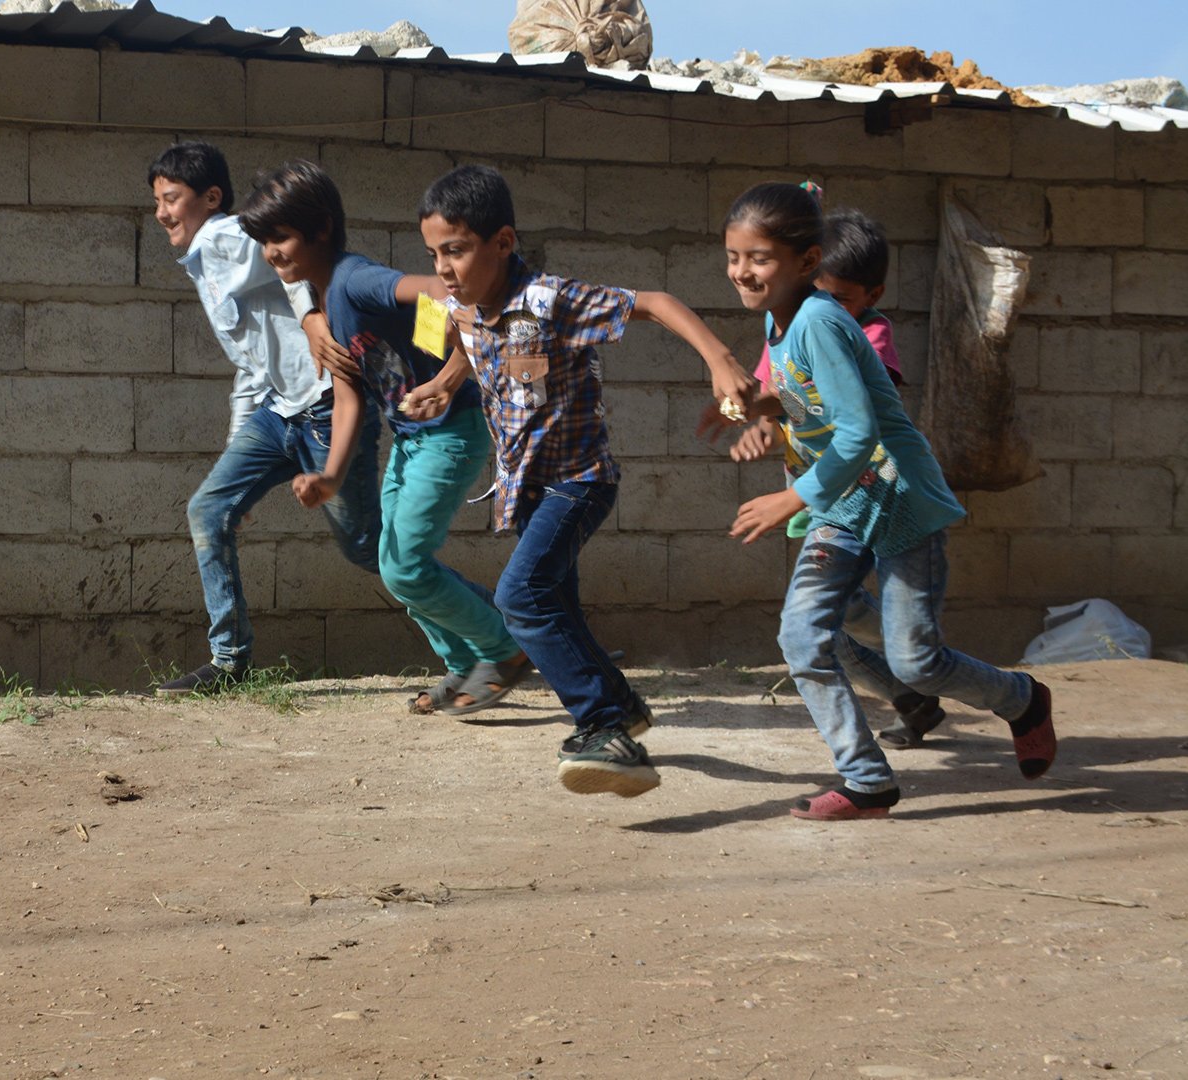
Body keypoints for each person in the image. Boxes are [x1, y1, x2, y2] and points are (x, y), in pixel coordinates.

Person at [403, 164, 756, 798]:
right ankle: (620, 703)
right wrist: (442, 383)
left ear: (502, 242)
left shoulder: (550, 301)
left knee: (521, 597)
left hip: (579, 480)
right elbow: (466, 337)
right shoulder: (462, 305)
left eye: (455, 249)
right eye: (434, 253)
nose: (444, 267)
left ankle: (603, 727)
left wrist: (720, 358)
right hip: (529, 488)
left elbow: (654, 303)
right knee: (554, 604)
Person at [714, 181, 1056, 820]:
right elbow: (801, 397)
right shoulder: (779, 320)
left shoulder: (821, 321)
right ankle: (867, 779)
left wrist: (793, 498)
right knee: (802, 635)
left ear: (806, 262)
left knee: (917, 660)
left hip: (897, 501)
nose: (742, 271)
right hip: (843, 504)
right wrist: (754, 408)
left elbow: (859, 430)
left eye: (758, 258)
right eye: (733, 256)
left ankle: (1021, 699)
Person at [238, 159, 530, 718]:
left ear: (320, 227)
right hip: (410, 440)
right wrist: (331, 475)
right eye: (264, 241)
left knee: (404, 566)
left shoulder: (355, 279)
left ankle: (504, 650)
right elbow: (349, 396)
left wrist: (446, 369)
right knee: (392, 561)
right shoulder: (331, 303)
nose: (270, 253)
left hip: (449, 435)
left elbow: (438, 294)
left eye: (279, 237)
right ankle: (465, 662)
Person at [147, 142, 380, 696]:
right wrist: (238, 462)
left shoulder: (224, 237)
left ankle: (504, 631)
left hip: (326, 408)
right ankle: (229, 661)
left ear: (211, 197)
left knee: (370, 548)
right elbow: (252, 364)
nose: (161, 213)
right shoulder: (204, 260)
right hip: (280, 411)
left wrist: (314, 321)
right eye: (156, 201)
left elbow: (294, 266)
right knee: (209, 509)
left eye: (171, 199)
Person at [717, 206, 944, 750]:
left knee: (895, 642)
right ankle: (909, 699)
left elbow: (840, 412)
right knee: (821, 626)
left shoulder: (860, 334)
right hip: (823, 496)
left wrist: (773, 424)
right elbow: (784, 401)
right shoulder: (787, 323)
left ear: (872, 295)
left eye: (841, 298)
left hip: (875, 493)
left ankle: (923, 685)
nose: (827, 306)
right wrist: (759, 425)